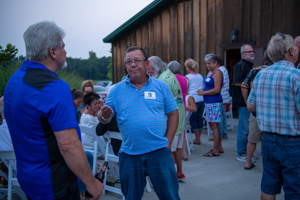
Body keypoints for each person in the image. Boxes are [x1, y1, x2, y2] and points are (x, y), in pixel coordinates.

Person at [3, 21, 103, 200]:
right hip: (54, 184)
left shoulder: (15, 80)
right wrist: (91, 183)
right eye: (63, 47)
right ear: (53, 52)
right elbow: (68, 145)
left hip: (28, 177)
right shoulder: (53, 87)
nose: (65, 51)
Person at [98, 46, 180, 200]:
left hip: (159, 152)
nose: (133, 64)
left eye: (137, 60)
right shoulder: (116, 90)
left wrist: (168, 141)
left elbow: (173, 113)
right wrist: (103, 115)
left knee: (170, 196)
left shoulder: (161, 86)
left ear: (147, 63)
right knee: (131, 197)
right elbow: (104, 118)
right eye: (129, 61)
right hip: (130, 155)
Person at [247, 33, 300, 200]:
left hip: (268, 139)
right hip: (292, 141)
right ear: (291, 51)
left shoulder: (261, 74)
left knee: (269, 185)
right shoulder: (296, 76)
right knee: (294, 189)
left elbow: (251, 105)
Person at [148, 56, 186, 181]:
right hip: (179, 118)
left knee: (167, 150)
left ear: (155, 68)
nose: (147, 71)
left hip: (172, 121)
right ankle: (179, 173)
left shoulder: (162, 80)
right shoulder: (168, 73)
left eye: (149, 68)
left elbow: (161, 104)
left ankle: (168, 177)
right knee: (177, 148)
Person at [241, 50, 273, 170]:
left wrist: (247, 101)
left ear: (264, 59)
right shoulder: (276, 71)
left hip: (255, 110)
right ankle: (268, 164)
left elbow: (244, 86)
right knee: (269, 139)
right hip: (271, 112)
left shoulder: (255, 70)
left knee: (252, 139)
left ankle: (248, 162)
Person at [198, 54, 224, 157]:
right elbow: (208, 85)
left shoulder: (218, 72)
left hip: (214, 102)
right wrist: (202, 90)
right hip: (209, 102)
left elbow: (217, 89)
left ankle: (215, 150)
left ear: (216, 62)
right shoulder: (210, 72)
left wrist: (203, 92)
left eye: (209, 63)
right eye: (206, 64)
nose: (207, 65)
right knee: (212, 125)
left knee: (214, 126)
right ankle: (219, 147)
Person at [232, 44, 254, 162]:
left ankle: (247, 152)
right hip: (242, 102)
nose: (252, 53)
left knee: (248, 129)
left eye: (252, 51)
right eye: (249, 51)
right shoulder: (240, 65)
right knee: (244, 129)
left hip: (249, 102)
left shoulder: (249, 66)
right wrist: (253, 86)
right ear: (243, 54)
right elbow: (237, 82)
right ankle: (241, 153)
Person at [167, 61, 190, 161]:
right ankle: (184, 153)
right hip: (183, 106)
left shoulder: (170, 79)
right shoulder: (185, 79)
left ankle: (173, 154)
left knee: (174, 130)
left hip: (174, 108)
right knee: (182, 130)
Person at [184, 59, 205, 144]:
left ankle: (197, 138)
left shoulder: (187, 77)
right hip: (201, 99)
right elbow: (203, 86)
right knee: (199, 118)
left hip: (193, 99)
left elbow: (186, 88)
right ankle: (198, 137)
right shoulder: (200, 76)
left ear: (188, 68)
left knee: (193, 119)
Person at [80, 92, 102, 157]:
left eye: (99, 103)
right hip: (92, 147)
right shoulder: (91, 119)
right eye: (95, 104)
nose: (98, 105)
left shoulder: (84, 113)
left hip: (84, 145)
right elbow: (98, 137)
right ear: (88, 106)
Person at [218, 58, 230, 139]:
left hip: (221, 96)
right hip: (224, 96)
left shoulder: (220, 70)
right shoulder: (224, 69)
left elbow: (221, 83)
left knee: (220, 117)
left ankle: (220, 134)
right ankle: (224, 133)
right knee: (223, 116)